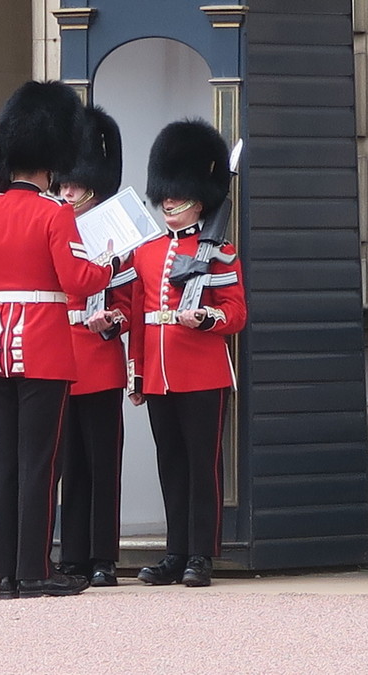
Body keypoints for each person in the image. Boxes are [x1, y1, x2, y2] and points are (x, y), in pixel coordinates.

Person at [0, 82, 117, 600]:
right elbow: (78, 282)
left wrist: (5, 282)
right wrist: (107, 264)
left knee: (4, 458)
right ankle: (34, 570)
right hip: (43, 343)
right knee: (40, 461)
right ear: (52, 161)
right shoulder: (54, 213)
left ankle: (4, 573)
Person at [127, 119, 246, 588]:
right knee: (170, 466)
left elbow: (235, 313)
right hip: (158, 375)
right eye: (166, 193)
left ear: (200, 196)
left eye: (178, 193)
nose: (169, 201)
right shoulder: (148, 252)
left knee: (202, 467)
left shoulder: (219, 251)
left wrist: (207, 320)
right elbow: (139, 318)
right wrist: (136, 375)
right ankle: (175, 552)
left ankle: (202, 554)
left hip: (202, 372)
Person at [52, 105, 134, 587]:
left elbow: (126, 297)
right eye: (63, 185)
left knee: (103, 467)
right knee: (70, 468)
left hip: (100, 360)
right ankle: (74, 553)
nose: (66, 193)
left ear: (92, 186)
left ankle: (103, 556)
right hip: (63, 359)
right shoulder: (53, 227)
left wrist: (111, 320)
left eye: (74, 187)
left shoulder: (114, 234)